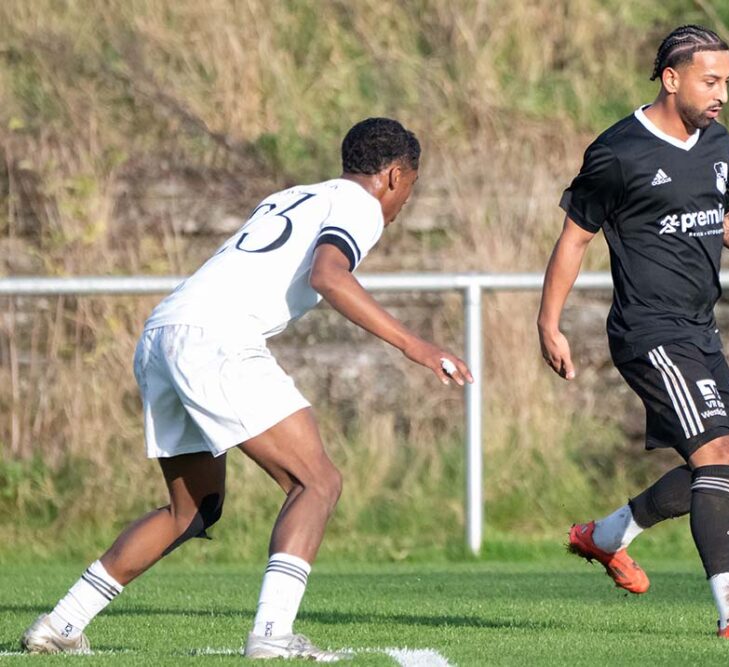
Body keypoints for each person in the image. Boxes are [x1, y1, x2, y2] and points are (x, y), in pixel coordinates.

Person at [21, 117, 473, 660]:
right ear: (395, 176)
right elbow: (329, 276)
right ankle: (272, 635)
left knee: (191, 511)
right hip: (216, 338)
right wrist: (415, 345)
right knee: (318, 482)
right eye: (410, 190)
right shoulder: (360, 205)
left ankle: (61, 624)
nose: (402, 208)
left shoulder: (296, 195)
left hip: (164, 331)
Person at [538, 25, 729, 638]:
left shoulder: (716, 142)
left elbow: (723, 218)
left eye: (727, 82)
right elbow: (575, 237)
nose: (723, 95)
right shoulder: (618, 152)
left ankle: (605, 537)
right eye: (711, 81)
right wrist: (549, 323)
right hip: (648, 333)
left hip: (699, 330)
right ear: (671, 78)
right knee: (712, 458)